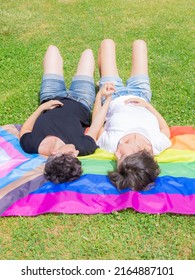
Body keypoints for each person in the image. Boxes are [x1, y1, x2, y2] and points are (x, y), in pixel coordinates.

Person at [19, 45, 114, 184]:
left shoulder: (31, 145)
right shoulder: (82, 147)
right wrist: (106, 98)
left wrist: (42, 108)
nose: (76, 153)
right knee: (87, 53)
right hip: (82, 99)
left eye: (71, 154)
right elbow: (95, 125)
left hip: (50, 95)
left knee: (52, 50)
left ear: (54, 154)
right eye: (76, 156)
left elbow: (25, 129)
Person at [92, 39, 172, 191]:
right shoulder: (156, 145)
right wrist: (149, 106)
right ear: (138, 153)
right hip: (141, 92)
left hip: (113, 95)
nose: (115, 154)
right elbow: (165, 131)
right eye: (120, 156)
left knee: (107, 44)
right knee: (140, 44)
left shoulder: (111, 144)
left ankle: (102, 80)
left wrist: (101, 98)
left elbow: (96, 126)